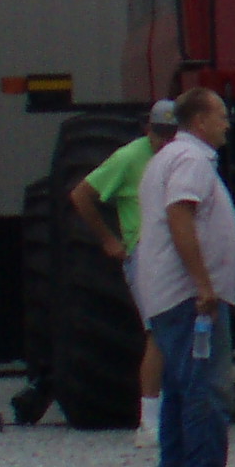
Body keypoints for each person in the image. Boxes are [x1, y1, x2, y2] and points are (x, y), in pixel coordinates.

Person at [131, 88, 235, 467]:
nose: (227, 124)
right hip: (189, 297)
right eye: (221, 116)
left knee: (181, 387)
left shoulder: (168, 157)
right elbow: (180, 214)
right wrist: (203, 284)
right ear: (199, 121)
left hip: (170, 294)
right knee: (205, 387)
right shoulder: (191, 160)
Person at [67, 98, 179, 447]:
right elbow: (81, 194)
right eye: (159, 133)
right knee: (158, 332)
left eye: (171, 133)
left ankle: (171, 416)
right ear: (148, 129)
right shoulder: (130, 157)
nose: (164, 140)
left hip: (174, 254)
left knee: (174, 332)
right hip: (145, 255)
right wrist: (108, 239)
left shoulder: (180, 158)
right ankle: (149, 422)